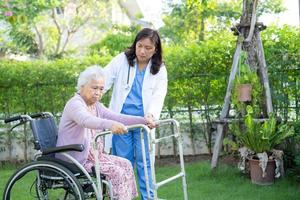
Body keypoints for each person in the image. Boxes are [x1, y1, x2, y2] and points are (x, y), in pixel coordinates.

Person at [56, 65, 155, 200]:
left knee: (126, 164)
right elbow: (86, 120)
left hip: (95, 156)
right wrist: (110, 125)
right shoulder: (75, 104)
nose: (98, 93)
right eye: (94, 88)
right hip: (77, 158)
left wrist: (144, 120)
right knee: (116, 172)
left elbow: (117, 117)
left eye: (101, 89)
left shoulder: (95, 105)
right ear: (82, 86)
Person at [104, 28, 168, 200]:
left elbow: (158, 96)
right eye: (140, 46)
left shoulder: (159, 68)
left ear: (156, 49)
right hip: (121, 123)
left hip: (143, 124)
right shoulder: (122, 60)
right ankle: (121, 197)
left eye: (148, 48)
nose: (142, 51)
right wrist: (88, 96)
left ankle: (149, 198)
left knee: (145, 164)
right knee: (122, 164)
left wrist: (152, 115)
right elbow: (104, 80)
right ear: (135, 44)